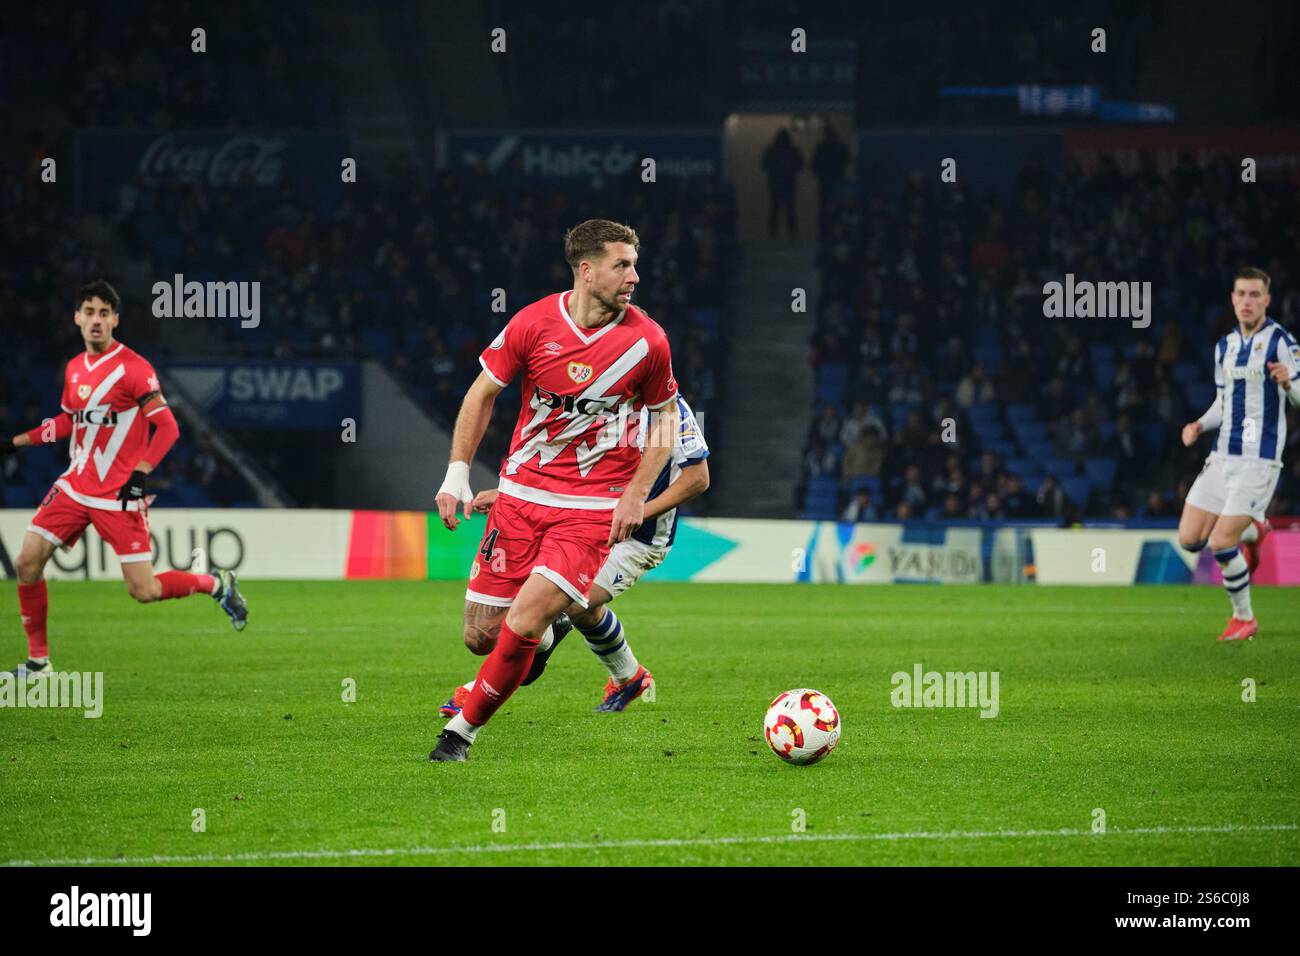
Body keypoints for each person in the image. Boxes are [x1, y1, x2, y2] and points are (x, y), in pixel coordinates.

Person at [429, 220, 680, 762]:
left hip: (590, 510)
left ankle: (460, 735)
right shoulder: (533, 322)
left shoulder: (648, 341)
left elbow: (666, 421)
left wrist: (636, 493)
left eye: (635, 264)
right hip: (520, 496)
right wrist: (457, 472)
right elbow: (482, 393)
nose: (634, 276)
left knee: (523, 620)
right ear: (587, 271)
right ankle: (538, 651)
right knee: (480, 635)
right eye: (623, 265)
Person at [0, 281, 247, 676]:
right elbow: (68, 420)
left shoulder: (135, 369)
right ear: (76, 318)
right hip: (75, 485)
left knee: (143, 591)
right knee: (27, 561)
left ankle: (216, 584)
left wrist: (141, 473)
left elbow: (167, 428)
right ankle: (38, 662)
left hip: (118, 495)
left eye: (104, 313)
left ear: (115, 320)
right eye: (89, 312)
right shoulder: (74, 368)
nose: (96, 321)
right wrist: (17, 442)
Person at [440, 395, 709, 716]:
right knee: (581, 608)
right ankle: (630, 677)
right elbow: (570, 467)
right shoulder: (599, 397)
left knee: (555, 605)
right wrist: (509, 494)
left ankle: (479, 691)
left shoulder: (668, 411)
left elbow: (697, 479)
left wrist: (635, 512)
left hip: (637, 538)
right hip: (580, 523)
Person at [1178, 267, 1299, 640]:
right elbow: (1223, 401)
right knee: (1189, 538)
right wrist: (1199, 424)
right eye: (1241, 294)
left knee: (1220, 542)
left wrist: (1289, 383)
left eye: (1254, 295)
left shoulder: (1282, 341)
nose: (1247, 301)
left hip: (1258, 460)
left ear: (1267, 300)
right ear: (1232, 299)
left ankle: (1244, 618)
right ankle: (1252, 530)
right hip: (1222, 457)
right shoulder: (1224, 346)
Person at [761, 129, 803, 240]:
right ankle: (790, 235)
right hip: (787, 184)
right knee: (788, 211)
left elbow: (764, 166)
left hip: (778, 184)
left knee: (778, 210)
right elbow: (800, 166)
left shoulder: (772, 151)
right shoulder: (792, 151)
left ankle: (775, 234)